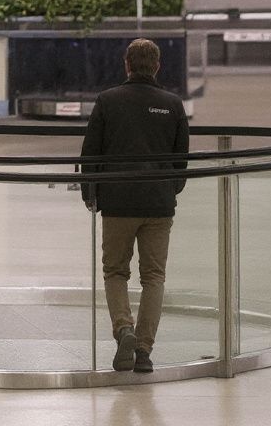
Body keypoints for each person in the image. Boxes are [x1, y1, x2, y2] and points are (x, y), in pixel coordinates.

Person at [81, 38, 189, 374]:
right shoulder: (172, 104)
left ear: (126, 65)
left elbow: (90, 154)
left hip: (117, 202)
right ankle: (143, 351)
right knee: (154, 276)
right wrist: (169, 189)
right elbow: (181, 160)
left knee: (115, 271)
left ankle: (123, 329)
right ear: (157, 66)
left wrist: (91, 194)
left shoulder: (108, 101)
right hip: (158, 204)